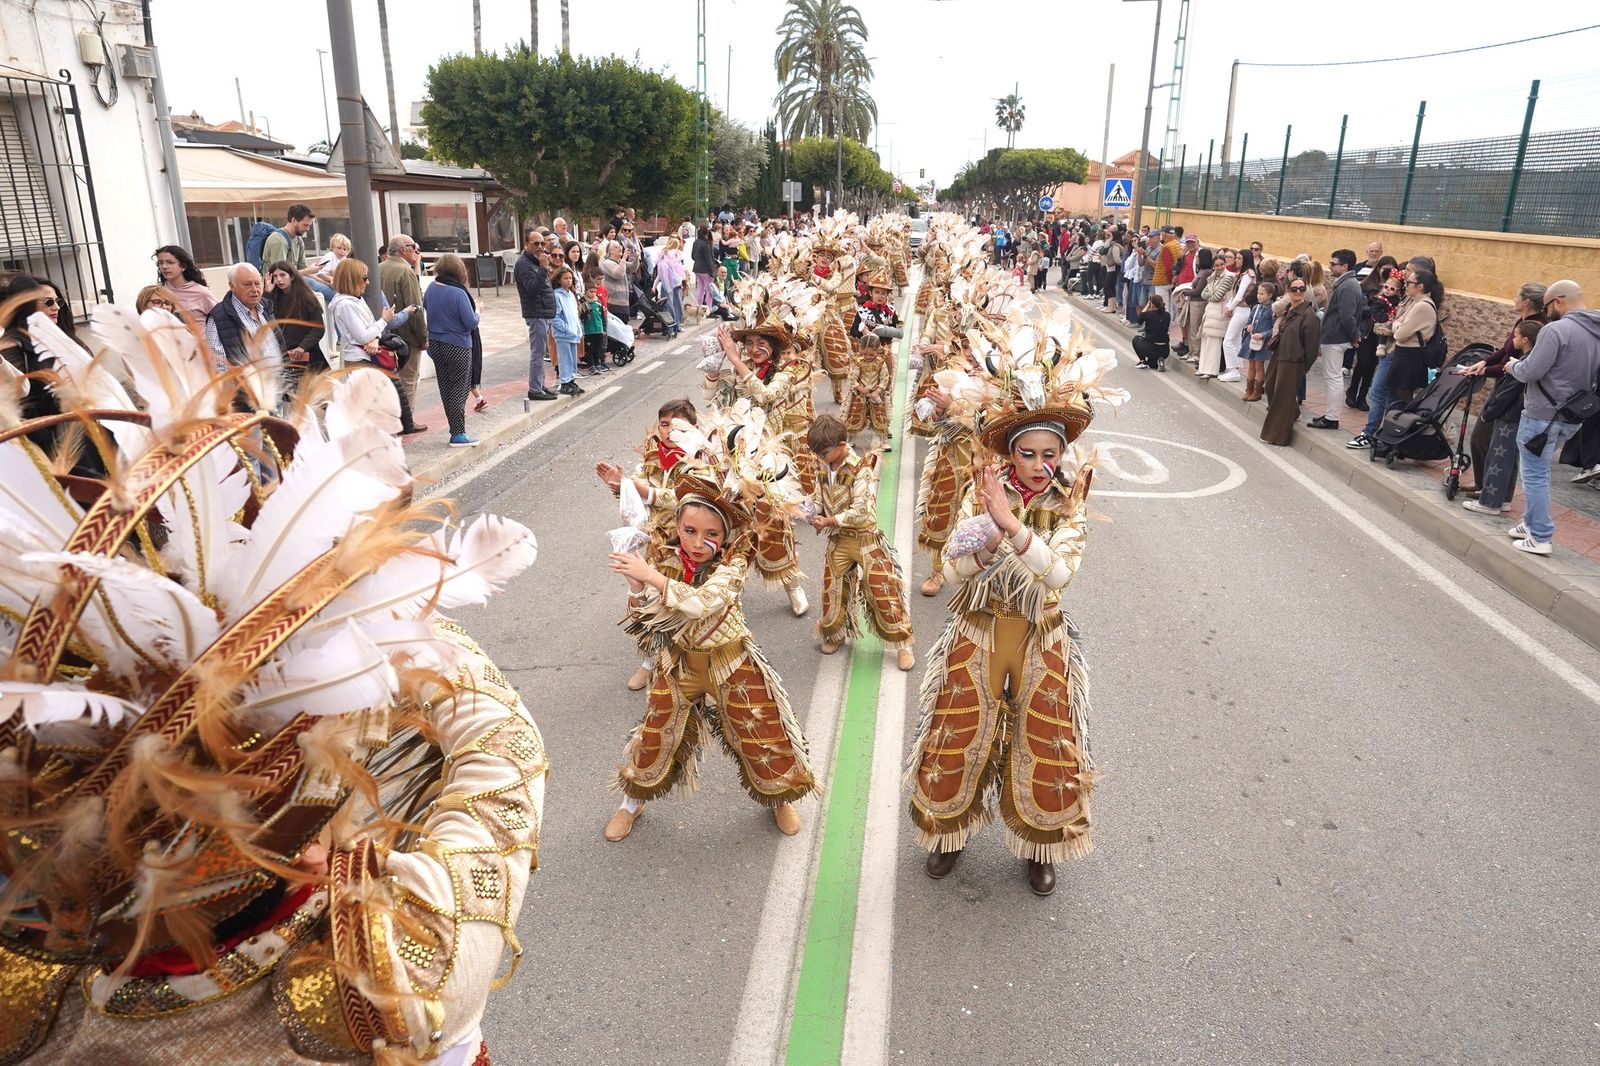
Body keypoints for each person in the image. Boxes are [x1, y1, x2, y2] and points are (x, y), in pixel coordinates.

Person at [0, 311, 546, 1063]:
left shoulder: (28, 1001)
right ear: (296, 830)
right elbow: (499, 763)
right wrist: (401, 633)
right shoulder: (383, 976)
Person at [910, 344, 1116, 898]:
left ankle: (1039, 844)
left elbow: (1058, 574)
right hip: (977, 633)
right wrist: (990, 534)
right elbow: (952, 573)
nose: (1043, 464)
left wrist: (1011, 526)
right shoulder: (983, 497)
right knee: (958, 732)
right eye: (1031, 453)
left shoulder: (1069, 504)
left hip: (1040, 639)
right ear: (1012, 454)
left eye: (1052, 452)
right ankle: (947, 834)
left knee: (1046, 744)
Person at [603, 468, 817, 843]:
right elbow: (643, 621)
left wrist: (651, 577)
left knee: (761, 735)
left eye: (711, 534)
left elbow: (703, 603)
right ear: (677, 528)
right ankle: (631, 802)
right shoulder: (665, 560)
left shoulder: (733, 566)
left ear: (726, 536)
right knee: (655, 735)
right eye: (689, 531)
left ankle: (778, 797)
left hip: (731, 664)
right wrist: (636, 586)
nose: (698, 542)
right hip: (677, 664)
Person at [715, 321, 813, 616]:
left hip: (770, 461)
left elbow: (766, 396)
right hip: (736, 457)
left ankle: (793, 585)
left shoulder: (786, 373)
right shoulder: (738, 370)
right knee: (730, 526)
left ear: (773, 348)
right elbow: (715, 401)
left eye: (762, 344)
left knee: (776, 526)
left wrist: (735, 360)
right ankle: (727, 591)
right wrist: (713, 368)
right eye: (749, 344)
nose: (754, 350)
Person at [806, 412, 916, 670]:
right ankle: (835, 634)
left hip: (866, 539)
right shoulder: (823, 467)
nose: (820, 458)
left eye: (824, 453)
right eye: (817, 454)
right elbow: (821, 498)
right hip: (839, 541)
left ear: (842, 447)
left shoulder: (862, 468)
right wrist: (813, 511)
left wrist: (829, 521)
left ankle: (903, 644)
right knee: (832, 590)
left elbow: (862, 511)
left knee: (884, 591)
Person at [1505, 279, 1600, 554]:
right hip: (1571, 415)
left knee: (1534, 474)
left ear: (1558, 301)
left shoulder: (1556, 330)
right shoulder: (1595, 332)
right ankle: (1530, 523)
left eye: (1547, 307)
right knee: (1540, 470)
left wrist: (1514, 365)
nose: (1546, 313)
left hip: (1542, 415)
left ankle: (1541, 535)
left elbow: (1531, 371)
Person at [329, 257, 415, 428]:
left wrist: (374, 339)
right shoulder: (345, 305)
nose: (367, 282)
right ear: (352, 279)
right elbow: (362, 336)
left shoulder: (356, 300)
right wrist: (384, 320)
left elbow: (368, 329)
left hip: (367, 356)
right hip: (359, 359)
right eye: (364, 278)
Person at [424, 252, 483, 447]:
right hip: (457, 344)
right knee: (460, 387)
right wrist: (478, 311)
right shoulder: (458, 293)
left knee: (446, 386)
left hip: (435, 342)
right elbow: (470, 322)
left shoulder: (432, 288)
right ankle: (457, 433)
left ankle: (454, 427)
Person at [1260, 277, 1321, 446]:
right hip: (1279, 355)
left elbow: (1312, 348)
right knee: (1270, 386)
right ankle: (1293, 412)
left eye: (1302, 289)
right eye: (1294, 289)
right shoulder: (1288, 310)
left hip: (1293, 360)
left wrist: (1303, 368)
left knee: (1283, 395)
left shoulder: (1309, 316)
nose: (1299, 292)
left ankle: (1278, 436)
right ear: (1288, 291)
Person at [1308, 249, 1363, 429]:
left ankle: (1332, 418)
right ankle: (1331, 415)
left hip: (1335, 337)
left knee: (1333, 378)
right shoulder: (1348, 283)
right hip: (1336, 336)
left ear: (1345, 266)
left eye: (1333, 264)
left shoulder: (1348, 286)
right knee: (1333, 377)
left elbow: (1347, 316)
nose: (1330, 266)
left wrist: (1354, 336)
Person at [379, 234, 429, 426]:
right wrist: (423, 337)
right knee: (408, 379)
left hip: (385, 335)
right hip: (407, 336)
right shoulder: (405, 272)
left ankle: (391, 420)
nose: (416, 251)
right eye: (413, 246)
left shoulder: (379, 268)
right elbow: (415, 308)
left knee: (390, 381)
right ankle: (406, 421)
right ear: (403, 250)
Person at [203, 262, 284, 380]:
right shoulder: (218, 318)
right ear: (232, 286)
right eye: (247, 285)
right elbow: (218, 367)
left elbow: (279, 347)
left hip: (280, 388)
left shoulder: (266, 307)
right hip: (248, 394)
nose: (255, 289)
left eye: (257, 283)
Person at [1386, 269, 1444, 406]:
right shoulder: (1416, 302)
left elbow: (1400, 334)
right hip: (1406, 354)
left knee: (1404, 396)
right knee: (1399, 394)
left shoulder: (1422, 306)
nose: (1405, 285)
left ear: (1420, 286)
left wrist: (1397, 326)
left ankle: (1407, 423)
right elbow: (1399, 322)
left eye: (1409, 282)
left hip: (1411, 356)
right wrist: (1398, 325)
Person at [264, 259, 327, 386]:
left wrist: (302, 347)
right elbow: (262, 317)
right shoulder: (273, 298)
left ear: (292, 276)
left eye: (282, 275)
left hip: (309, 356)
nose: (279, 280)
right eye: (275, 276)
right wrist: (267, 292)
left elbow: (318, 328)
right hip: (285, 358)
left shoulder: (306, 297)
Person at [515, 227, 559, 402]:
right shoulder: (524, 264)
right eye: (536, 243)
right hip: (536, 313)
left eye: (542, 243)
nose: (540, 246)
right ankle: (534, 389)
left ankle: (540, 385)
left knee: (541, 352)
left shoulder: (535, 262)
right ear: (527, 244)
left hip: (544, 312)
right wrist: (542, 268)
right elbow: (532, 289)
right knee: (538, 353)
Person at [259, 203, 327, 296]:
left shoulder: (298, 239)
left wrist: (327, 282)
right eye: (305, 225)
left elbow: (302, 269)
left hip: (293, 282)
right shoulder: (278, 240)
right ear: (294, 220)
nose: (308, 229)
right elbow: (281, 276)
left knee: (328, 288)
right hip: (278, 288)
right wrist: (309, 271)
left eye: (309, 225)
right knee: (311, 285)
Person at [1196, 249, 1237, 379]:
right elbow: (1204, 294)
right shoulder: (1211, 277)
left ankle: (1211, 370)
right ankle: (1203, 368)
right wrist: (1211, 295)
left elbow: (1217, 296)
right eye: (1217, 265)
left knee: (1214, 342)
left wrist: (1211, 295)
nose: (1219, 267)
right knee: (1206, 339)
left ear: (1225, 264)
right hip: (1209, 312)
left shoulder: (1229, 277)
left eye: (1221, 265)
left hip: (1219, 313)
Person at [1218, 248, 1256, 383]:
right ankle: (1235, 369)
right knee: (1236, 340)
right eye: (1237, 258)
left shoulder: (1248, 274)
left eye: (1240, 258)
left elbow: (1240, 295)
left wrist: (1229, 308)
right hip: (1241, 310)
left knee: (1228, 340)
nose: (1237, 260)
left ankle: (1233, 370)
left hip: (1242, 310)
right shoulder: (1244, 273)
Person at [152, 244, 217, 319]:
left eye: (170, 262)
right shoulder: (156, 292)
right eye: (160, 263)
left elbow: (221, 320)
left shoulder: (202, 293)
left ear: (183, 266)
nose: (164, 266)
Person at [551, 265, 584, 397]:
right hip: (563, 334)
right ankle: (565, 382)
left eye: (570, 278)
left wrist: (577, 329)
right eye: (565, 278)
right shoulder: (557, 295)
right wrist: (565, 328)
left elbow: (574, 314)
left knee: (572, 359)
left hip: (573, 333)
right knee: (565, 359)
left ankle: (571, 380)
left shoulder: (571, 295)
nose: (569, 281)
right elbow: (555, 316)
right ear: (559, 280)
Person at [1241, 281, 1277, 401]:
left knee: (1259, 366)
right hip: (1251, 341)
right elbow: (1248, 322)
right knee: (1251, 365)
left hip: (1262, 343)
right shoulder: (1255, 307)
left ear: (1270, 295)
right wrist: (1248, 327)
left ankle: (1257, 391)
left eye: (1262, 294)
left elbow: (1274, 328)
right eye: (1258, 293)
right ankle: (1249, 389)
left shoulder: (1272, 309)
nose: (1258, 296)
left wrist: (1263, 334)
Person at [656, 234, 687, 337]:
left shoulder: (676, 254)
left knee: (675, 304)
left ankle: (675, 326)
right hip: (669, 283)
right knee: (669, 305)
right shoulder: (666, 253)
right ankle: (670, 327)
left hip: (673, 282)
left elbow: (681, 268)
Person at [1132, 292, 1170, 371]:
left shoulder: (1148, 314)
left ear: (1152, 304)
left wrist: (1147, 307)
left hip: (1152, 348)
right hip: (1165, 350)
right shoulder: (1167, 315)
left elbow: (1139, 320)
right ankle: (1160, 360)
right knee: (1152, 364)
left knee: (1136, 339)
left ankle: (1142, 361)